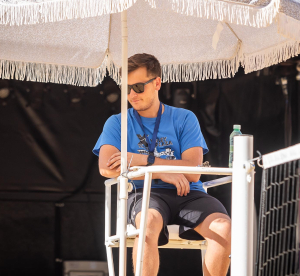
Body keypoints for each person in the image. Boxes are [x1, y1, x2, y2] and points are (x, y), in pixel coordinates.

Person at [93, 53, 231, 276]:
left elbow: (193, 172)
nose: (131, 95)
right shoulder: (117, 122)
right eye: (125, 88)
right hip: (145, 192)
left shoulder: (184, 117)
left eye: (138, 87)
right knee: (147, 224)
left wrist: (142, 161)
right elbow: (106, 167)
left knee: (224, 227)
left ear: (157, 83)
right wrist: (164, 172)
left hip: (189, 192)